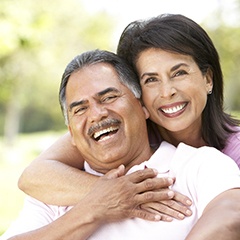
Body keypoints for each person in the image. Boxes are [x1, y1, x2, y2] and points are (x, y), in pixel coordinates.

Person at [1, 49, 240, 240]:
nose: (96, 115)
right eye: (80, 109)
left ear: (142, 106)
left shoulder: (200, 165)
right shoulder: (53, 192)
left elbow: (231, 218)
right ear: (71, 133)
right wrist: (94, 208)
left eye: (109, 97)